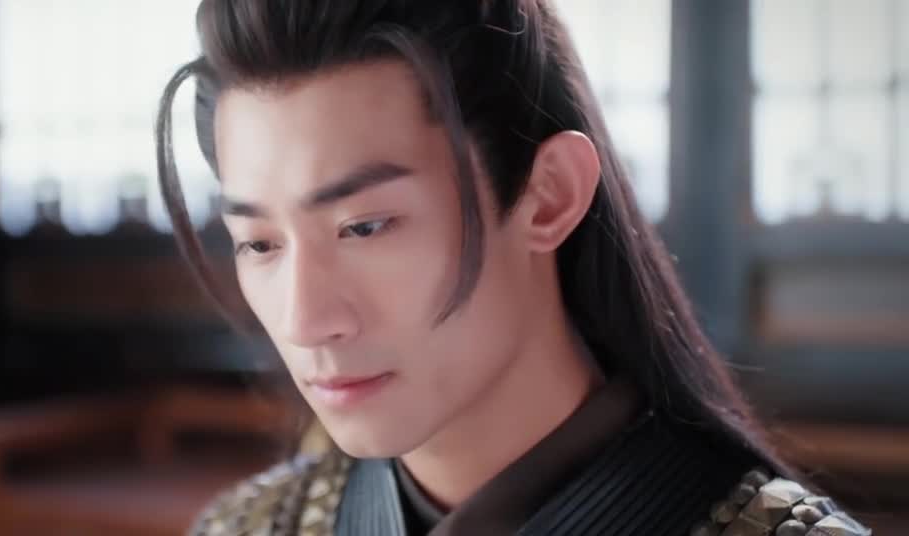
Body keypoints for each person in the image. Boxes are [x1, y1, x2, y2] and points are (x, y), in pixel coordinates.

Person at [153, 0, 873, 534]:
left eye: (364, 226)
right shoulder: (245, 527)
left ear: (548, 195)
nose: (305, 320)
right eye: (260, 243)